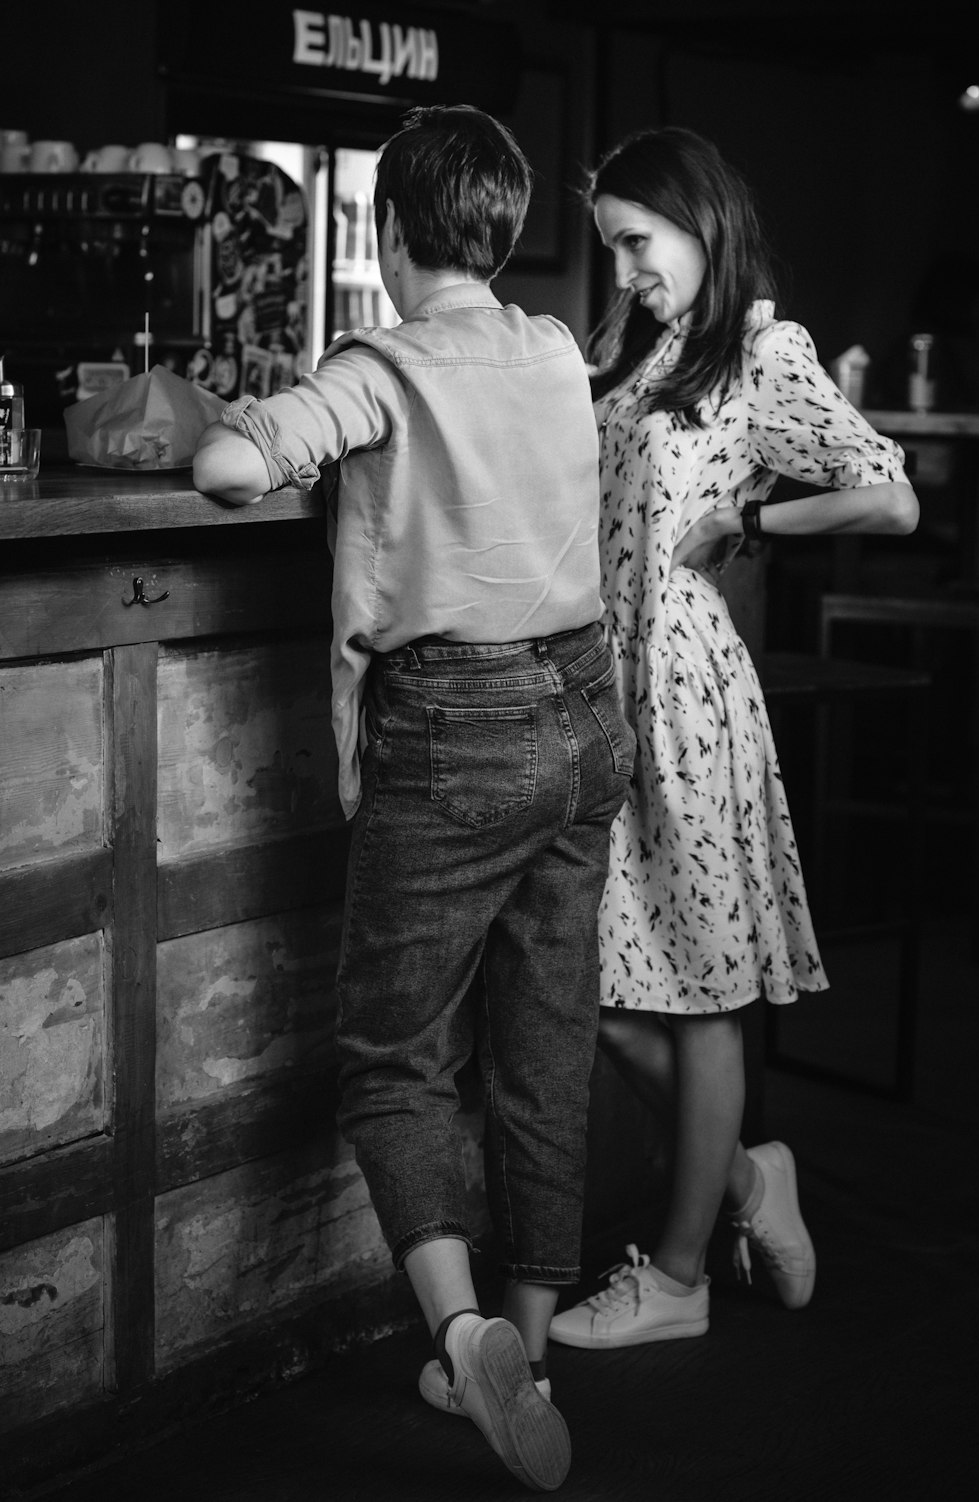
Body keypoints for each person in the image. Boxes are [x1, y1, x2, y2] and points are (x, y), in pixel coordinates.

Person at [193, 104, 635, 1491]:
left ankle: (456, 1331)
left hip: (455, 733)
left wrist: (268, 421)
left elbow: (224, 467)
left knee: (394, 1056)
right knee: (545, 1043)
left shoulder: (381, 362)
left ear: (386, 234)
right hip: (584, 713)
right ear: (502, 235)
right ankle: (530, 1342)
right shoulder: (557, 345)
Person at [547, 126, 920, 1351]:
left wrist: (752, 514)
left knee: (700, 994)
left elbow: (888, 491)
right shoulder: (633, 344)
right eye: (611, 249)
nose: (627, 270)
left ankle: (681, 1269)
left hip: (687, 691)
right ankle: (754, 1180)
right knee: (593, 984)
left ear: (699, 221)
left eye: (638, 243)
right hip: (602, 683)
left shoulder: (764, 349)